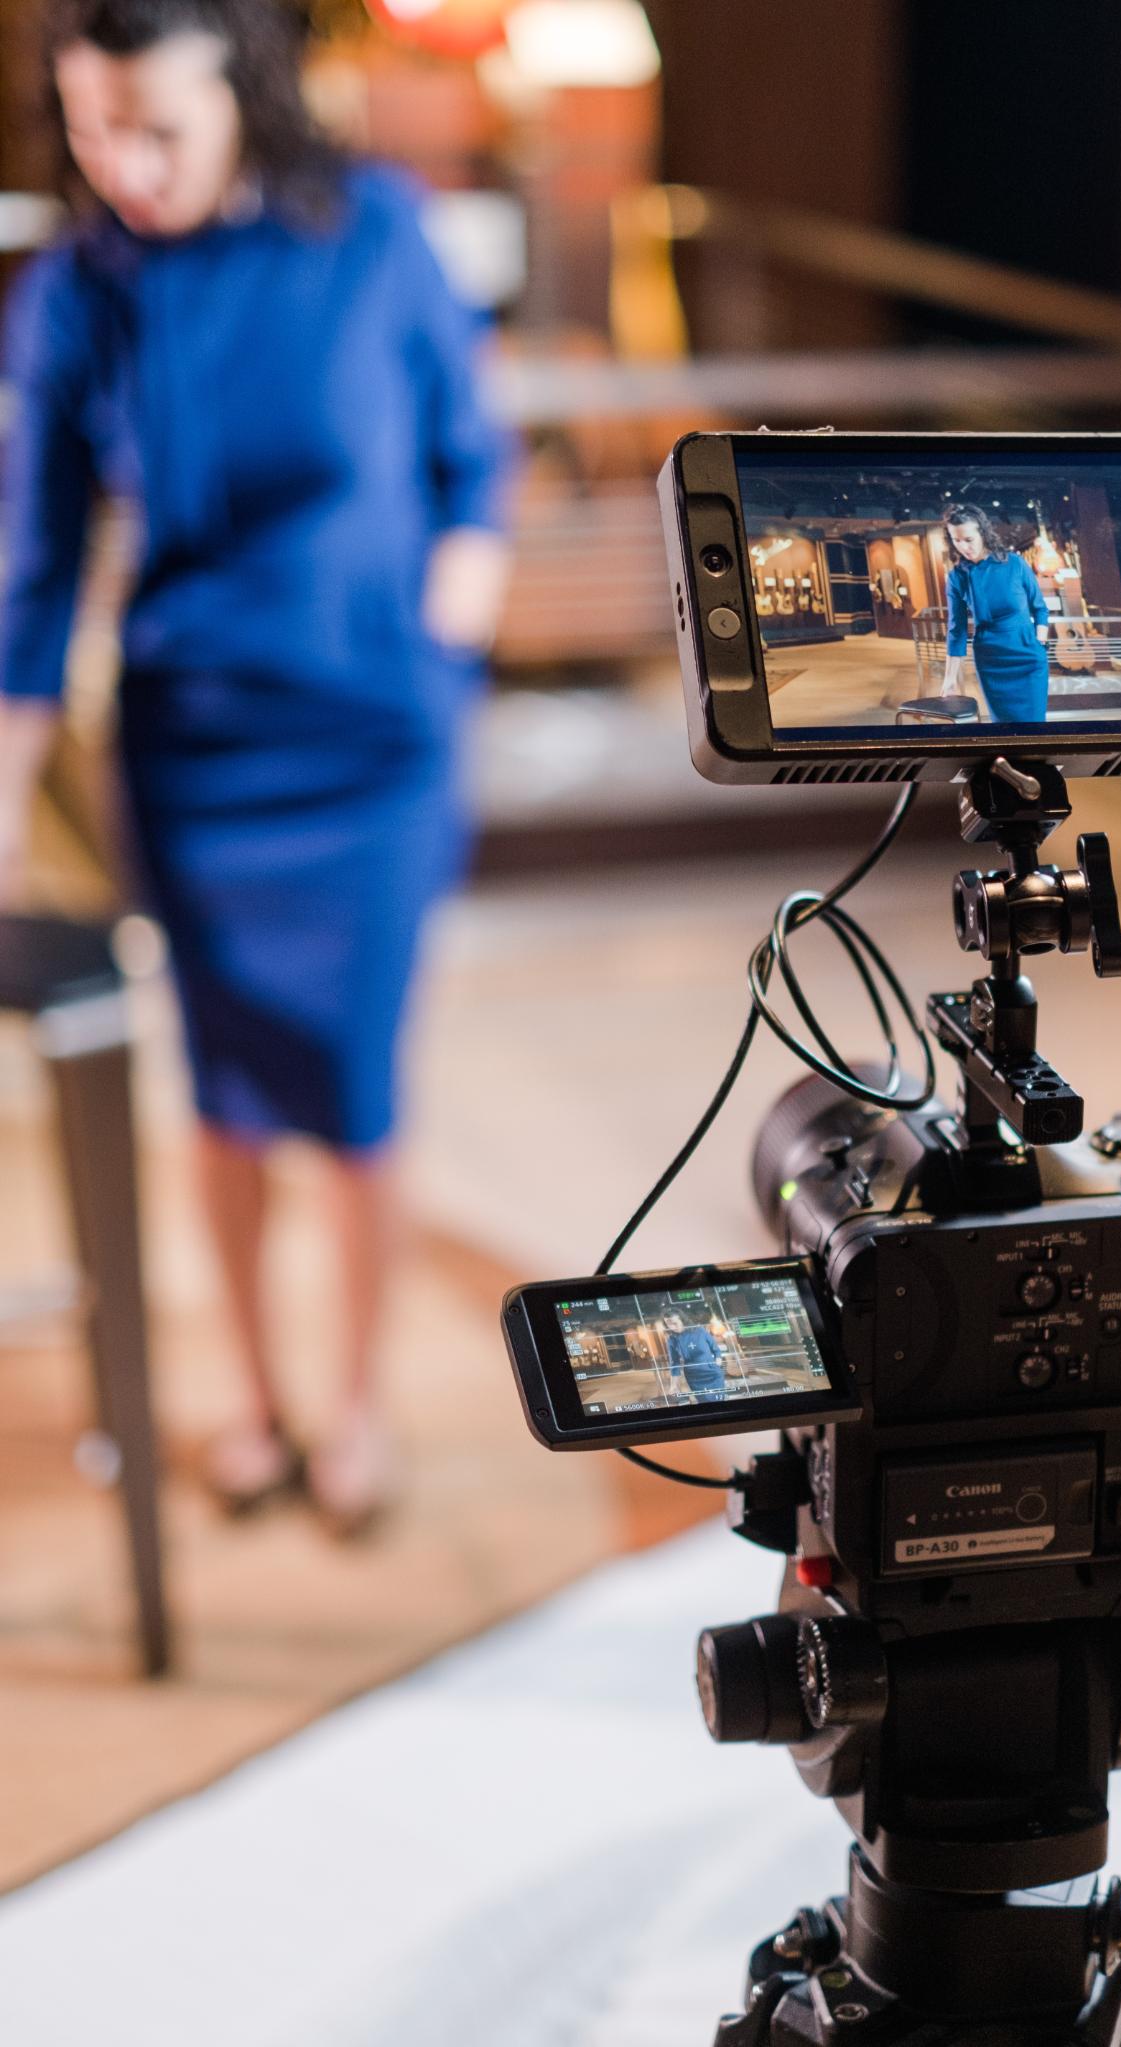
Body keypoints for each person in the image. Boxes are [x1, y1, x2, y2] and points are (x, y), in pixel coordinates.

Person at [0, 0, 512, 1533]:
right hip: (196, 744)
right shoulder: (80, 290)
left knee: (352, 1091)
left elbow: (469, 455)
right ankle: (256, 1396)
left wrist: (449, 632)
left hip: (370, 739)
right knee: (223, 1094)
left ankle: (352, 1403)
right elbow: (31, 575)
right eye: (93, 126)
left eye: (157, 122)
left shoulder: (374, 231)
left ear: (246, 93)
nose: (123, 161)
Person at [940, 503, 1051, 723]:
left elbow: (1040, 608)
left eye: (968, 540)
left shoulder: (1015, 564)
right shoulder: (957, 577)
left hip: (1027, 655)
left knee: (1035, 726)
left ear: (983, 533)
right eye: (956, 540)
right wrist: (949, 679)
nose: (963, 547)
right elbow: (957, 629)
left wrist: (1039, 642)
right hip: (991, 660)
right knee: (1002, 726)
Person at [663, 1314, 729, 1404]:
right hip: (694, 1376)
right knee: (704, 1403)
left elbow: (715, 1348)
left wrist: (718, 1360)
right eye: (669, 1325)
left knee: (719, 1400)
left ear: (682, 1320)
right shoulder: (672, 1340)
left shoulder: (700, 1331)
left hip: (712, 1372)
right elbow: (675, 1363)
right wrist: (673, 1385)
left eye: (675, 1323)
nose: (672, 1327)